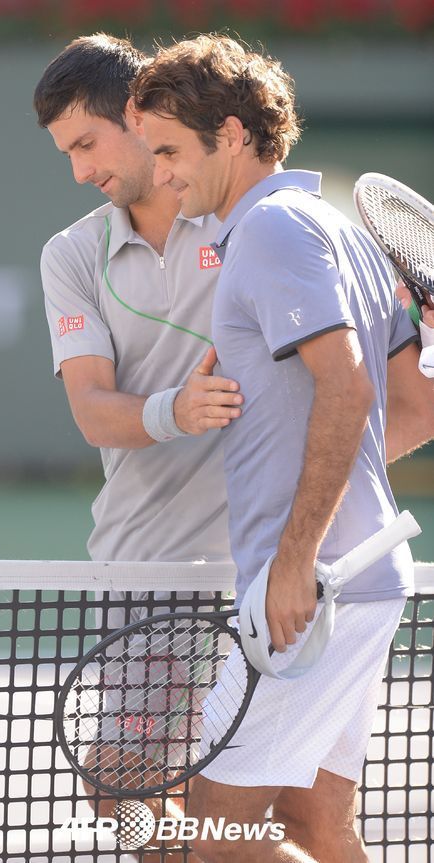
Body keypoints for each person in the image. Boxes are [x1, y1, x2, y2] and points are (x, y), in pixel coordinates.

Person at [132, 34, 434, 863]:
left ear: (231, 135)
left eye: (170, 150)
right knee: (317, 827)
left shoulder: (270, 229)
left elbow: (349, 391)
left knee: (213, 837)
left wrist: (296, 559)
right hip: (360, 577)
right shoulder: (337, 229)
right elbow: (414, 409)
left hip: (314, 591)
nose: (161, 173)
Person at [33, 33, 241, 862]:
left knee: (275, 815)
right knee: (126, 792)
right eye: (66, 154)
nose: (79, 170)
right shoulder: (70, 254)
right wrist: (176, 411)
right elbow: (91, 408)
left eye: (87, 143)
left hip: (265, 564)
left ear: (137, 115)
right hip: (143, 570)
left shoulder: (240, 218)